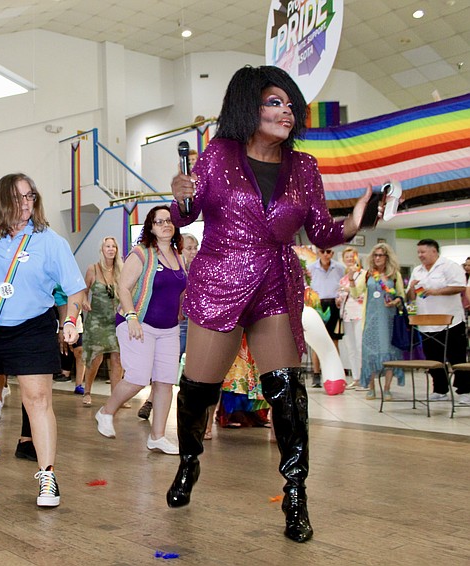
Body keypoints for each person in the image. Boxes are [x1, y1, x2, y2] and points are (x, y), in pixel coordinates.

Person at [167, 66, 374, 543]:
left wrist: (356, 221)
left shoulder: (304, 166)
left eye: (290, 104)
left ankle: (296, 495)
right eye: (275, 102)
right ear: (248, 106)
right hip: (221, 279)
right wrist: (180, 198)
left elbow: (320, 231)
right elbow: (187, 214)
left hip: (275, 283)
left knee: (287, 393)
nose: (287, 112)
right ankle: (189, 460)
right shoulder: (218, 154)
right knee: (198, 391)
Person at [0, 172, 85, 509]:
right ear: (2, 201)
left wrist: (70, 320)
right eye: (18, 197)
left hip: (32, 328)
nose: (25, 203)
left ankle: (47, 474)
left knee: (37, 400)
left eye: (30, 196)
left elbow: (76, 290)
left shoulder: (50, 241)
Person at [94, 206, 184, 456]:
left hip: (169, 328)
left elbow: (180, 290)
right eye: (159, 222)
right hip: (139, 323)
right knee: (137, 378)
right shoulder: (141, 253)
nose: (165, 225)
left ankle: (157, 437)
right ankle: (106, 412)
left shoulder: (178, 256)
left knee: (165, 382)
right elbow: (123, 287)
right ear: (151, 227)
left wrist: (181, 311)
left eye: (169, 221)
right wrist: (131, 316)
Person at [138, 232, 198, 420]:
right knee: (165, 367)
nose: (193, 252)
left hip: (195, 322)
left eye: (195, 248)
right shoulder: (174, 269)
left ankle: (191, 408)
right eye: (189, 248)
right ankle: (150, 400)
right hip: (176, 322)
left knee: (192, 367)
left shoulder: (199, 269)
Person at [407, 239, 469, 404]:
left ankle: (465, 390)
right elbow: (410, 297)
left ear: (434, 251)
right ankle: (440, 390)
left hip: (451, 322)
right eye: (418, 252)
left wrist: (436, 292)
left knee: (457, 357)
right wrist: (411, 289)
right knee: (433, 359)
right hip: (426, 323)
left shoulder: (449, 266)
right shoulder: (417, 270)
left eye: (423, 252)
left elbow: (459, 287)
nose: (420, 255)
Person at [352, 243, 405, 400]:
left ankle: (387, 389)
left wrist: (394, 302)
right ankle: (371, 388)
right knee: (370, 353)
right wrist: (351, 280)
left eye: (380, 255)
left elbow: (401, 296)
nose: (377, 258)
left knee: (389, 352)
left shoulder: (394, 275)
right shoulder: (368, 274)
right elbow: (356, 293)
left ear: (387, 257)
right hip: (370, 319)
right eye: (375, 255)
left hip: (388, 320)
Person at [80, 237, 123, 407]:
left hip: (115, 321)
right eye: (108, 246)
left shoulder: (121, 270)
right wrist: (85, 301)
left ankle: (116, 397)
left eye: (114, 246)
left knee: (117, 358)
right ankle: (87, 391)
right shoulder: (93, 269)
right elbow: (84, 291)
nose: (111, 249)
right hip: (96, 321)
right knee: (95, 358)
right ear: (102, 249)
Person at [307, 248, 345, 387]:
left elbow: (343, 286)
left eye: (328, 252)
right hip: (317, 305)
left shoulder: (339, 268)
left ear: (332, 253)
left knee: (334, 341)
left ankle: (335, 374)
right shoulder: (311, 268)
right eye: (322, 251)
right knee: (317, 340)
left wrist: (340, 297)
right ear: (318, 252)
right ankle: (316, 374)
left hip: (334, 304)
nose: (325, 255)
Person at [336, 247, 365, 389]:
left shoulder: (363, 275)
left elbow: (360, 293)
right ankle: (356, 377)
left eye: (351, 256)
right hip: (346, 315)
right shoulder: (343, 279)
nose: (349, 259)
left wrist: (348, 289)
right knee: (351, 347)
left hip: (359, 313)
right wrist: (338, 300)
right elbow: (341, 295)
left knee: (360, 346)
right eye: (346, 257)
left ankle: (365, 377)